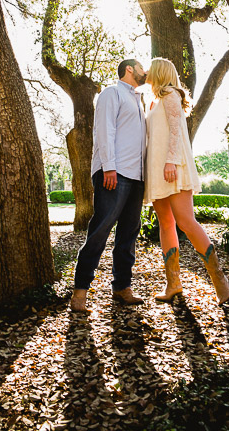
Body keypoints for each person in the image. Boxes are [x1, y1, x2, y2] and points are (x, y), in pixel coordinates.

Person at [144, 57, 229, 305]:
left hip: (173, 168)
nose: (146, 71)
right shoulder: (154, 101)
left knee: (186, 221)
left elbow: (175, 131)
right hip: (157, 171)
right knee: (165, 223)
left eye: (151, 68)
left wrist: (171, 160)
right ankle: (173, 284)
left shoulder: (171, 94)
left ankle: (219, 279)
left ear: (161, 71)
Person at [70, 58, 147, 313]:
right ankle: (80, 292)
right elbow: (104, 130)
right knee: (100, 231)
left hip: (136, 177)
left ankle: (122, 288)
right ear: (129, 69)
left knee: (128, 234)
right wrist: (109, 167)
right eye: (141, 67)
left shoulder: (139, 100)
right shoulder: (111, 93)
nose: (144, 71)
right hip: (113, 173)